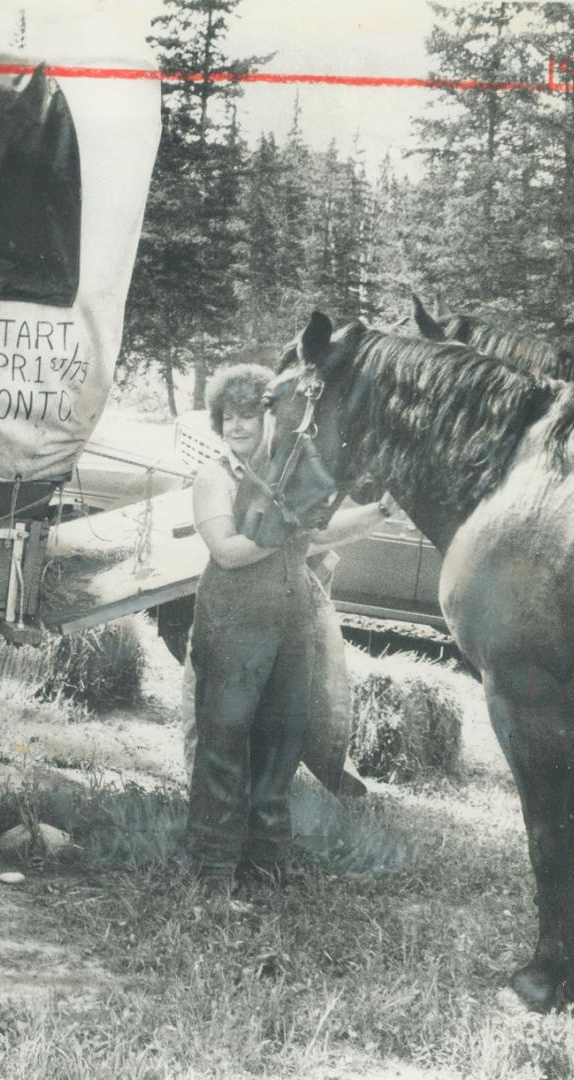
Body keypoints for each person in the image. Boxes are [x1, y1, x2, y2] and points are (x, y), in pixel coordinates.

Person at [184, 363, 396, 892]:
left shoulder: (289, 475)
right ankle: (213, 874)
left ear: (271, 420)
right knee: (225, 743)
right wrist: (289, 530)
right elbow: (229, 553)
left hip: (290, 620)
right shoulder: (215, 475)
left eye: (249, 416)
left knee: (282, 742)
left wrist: (381, 510)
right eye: (229, 417)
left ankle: (266, 869)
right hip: (233, 618)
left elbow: (320, 534)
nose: (237, 427)